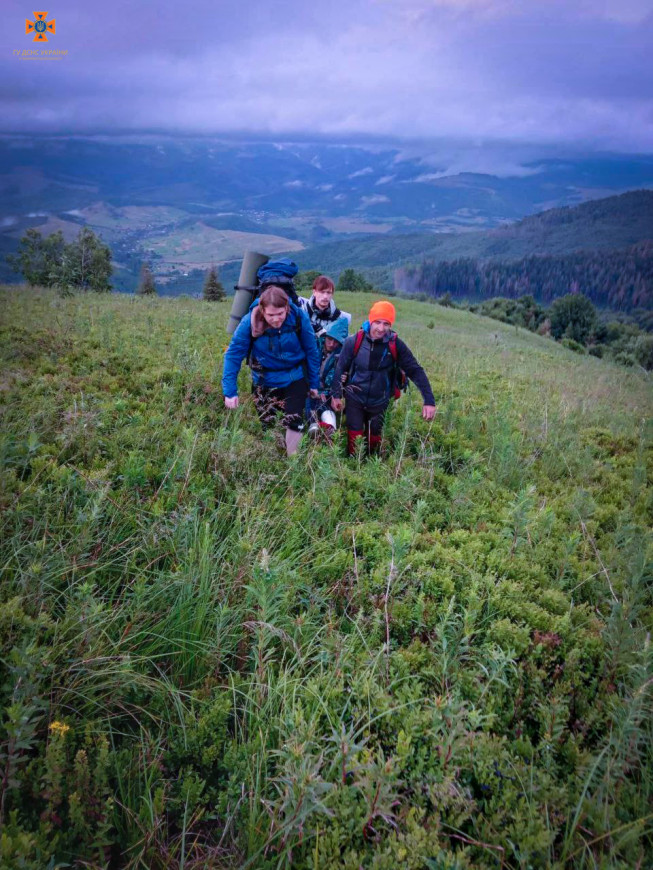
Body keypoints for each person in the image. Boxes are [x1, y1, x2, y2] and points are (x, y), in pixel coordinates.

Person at [222, 285, 320, 455]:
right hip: (264, 381)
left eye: (280, 314)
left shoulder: (298, 316)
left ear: (287, 308)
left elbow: (312, 350)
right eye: (270, 315)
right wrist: (230, 391)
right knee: (268, 424)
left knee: (294, 421)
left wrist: (313, 383)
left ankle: (292, 462)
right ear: (262, 310)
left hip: (294, 377)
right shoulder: (249, 322)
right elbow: (233, 355)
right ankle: (274, 460)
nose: (276, 319)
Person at [331, 300, 437, 456]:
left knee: (374, 441)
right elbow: (340, 368)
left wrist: (429, 400)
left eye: (386, 324)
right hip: (354, 399)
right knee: (354, 440)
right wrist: (336, 395)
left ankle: (370, 468)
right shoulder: (354, 342)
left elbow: (415, 370)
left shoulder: (395, 345)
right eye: (378, 322)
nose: (381, 329)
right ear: (370, 320)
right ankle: (353, 470)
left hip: (380, 402)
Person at [308, 315, 349, 440]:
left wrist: (343, 380)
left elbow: (337, 378)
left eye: (336, 341)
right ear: (325, 336)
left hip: (328, 392)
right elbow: (307, 368)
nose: (332, 344)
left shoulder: (342, 355)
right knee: (310, 403)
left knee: (326, 404)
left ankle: (330, 430)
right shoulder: (314, 345)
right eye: (330, 339)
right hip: (310, 387)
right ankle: (313, 427)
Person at [300, 275, 351, 346]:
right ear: (314, 292)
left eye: (328, 292)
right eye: (322, 292)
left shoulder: (339, 317)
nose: (325, 296)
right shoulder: (302, 312)